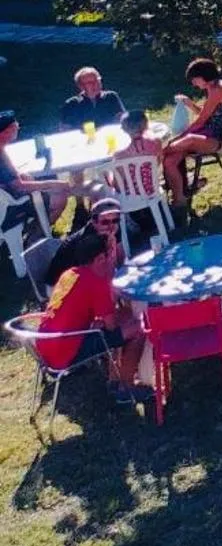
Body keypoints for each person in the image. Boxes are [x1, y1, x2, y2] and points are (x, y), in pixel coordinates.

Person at [35, 231, 149, 404]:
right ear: (100, 259)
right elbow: (111, 328)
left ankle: (114, 378)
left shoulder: (69, 274)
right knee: (139, 329)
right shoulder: (96, 283)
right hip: (65, 351)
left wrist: (100, 322)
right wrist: (104, 322)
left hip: (46, 346)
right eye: (108, 255)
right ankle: (125, 388)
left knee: (126, 315)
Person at [160, 59, 222, 210]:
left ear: (203, 76)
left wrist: (181, 138)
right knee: (170, 160)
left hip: (217, 139)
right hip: (209, 133)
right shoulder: (213, 87)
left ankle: (157, 154)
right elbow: (206, 114)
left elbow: (201, 121)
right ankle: (180, 198)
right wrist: (190, 104)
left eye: (194, 80)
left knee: (186, 140)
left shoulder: (218, 90)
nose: (194, 84)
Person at [0, 110, 83, 234]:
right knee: (60, 193)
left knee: (51, 183)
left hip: (8, 196)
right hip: (10, 206)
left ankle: (32, 231)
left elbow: (10, 176)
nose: (18, 126)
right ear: (6, 131)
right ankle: (37, 234)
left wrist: (20, 174)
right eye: (15, 125)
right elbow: (18, 186)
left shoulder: (2, 148)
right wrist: (55, 184)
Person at [45, 199, 127, 287]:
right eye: (105, 222)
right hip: (61, 286)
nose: (111, 225)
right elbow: (99, 276)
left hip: (84, 276)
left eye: (115, 220)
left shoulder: (112, 229)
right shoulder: (89, 242)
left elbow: (121, 258)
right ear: (94, 222)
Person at [58, 67, 127, 132]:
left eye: (97, 80)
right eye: (90, 83)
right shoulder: (71, 104)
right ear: (81, 86)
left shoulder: (111, 96)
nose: (95, 84)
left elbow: (123, 119)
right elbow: (65, 129)